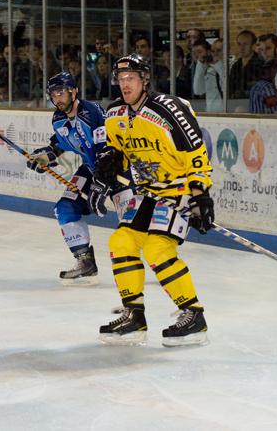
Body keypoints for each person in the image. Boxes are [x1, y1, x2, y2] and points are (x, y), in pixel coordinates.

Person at [90, 54, 212, 347]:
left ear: (144, 79)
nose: (125, 84)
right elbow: (116, 151)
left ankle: (193, 315)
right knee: (121, 242)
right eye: (120, 79)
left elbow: (196, 152)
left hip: (177, 189)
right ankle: (134, 316)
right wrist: (107, 166)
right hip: (146, 191)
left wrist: (200, 196)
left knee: (158, 248)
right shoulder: (115, 113)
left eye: (130, 78)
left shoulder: (170, 108)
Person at [26, 72, 122, 286]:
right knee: (65, 208)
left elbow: (107, 148)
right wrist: (46, 156)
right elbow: (60, 144)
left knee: (131, 224)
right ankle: (85, 261)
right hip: (91, 169)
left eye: (61, 92)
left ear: (74, 92)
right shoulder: (58, 118)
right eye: (53, 94)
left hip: (118, 169)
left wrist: (103, 182)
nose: (57, 98)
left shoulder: (91, 111)